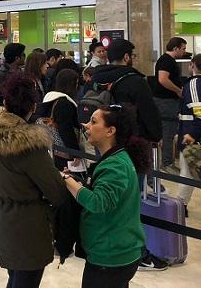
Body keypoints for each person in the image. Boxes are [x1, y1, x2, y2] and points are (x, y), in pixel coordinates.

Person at [0, 74, 67, 288]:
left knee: (15, 276)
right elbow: (56, 192)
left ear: (4, 103)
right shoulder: (29, 146)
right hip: (27, 226)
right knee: (26, 279)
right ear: (32, 106)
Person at [91, 39, 166, 271]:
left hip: (102, 142)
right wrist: (156, 135)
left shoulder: (96, 78)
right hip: (131, 146)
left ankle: (105, 241)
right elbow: (147, 113)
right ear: (126, 57)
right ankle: (138, 252)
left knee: (107, 191)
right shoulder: (134, 80)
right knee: (131, 200)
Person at [61, 105, 150, 287]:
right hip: (114, 252)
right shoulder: (116, 158)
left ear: (110, 131)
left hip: (111, 257)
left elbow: (98, 202)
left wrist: (65, 179)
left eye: (93, 122)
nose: (86, 125)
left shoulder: (115, 165)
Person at [177, 52, 201, 208]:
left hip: (195, 140)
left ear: (193, 65)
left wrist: (192, 134)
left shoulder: (195, 84)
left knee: (186, 176)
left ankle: (179, 209)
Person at [153, 37, 186, 169]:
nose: (184, 52)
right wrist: (178, 91)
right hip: (166, 102)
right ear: (175, 48)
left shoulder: (167, 60)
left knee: (169, 132)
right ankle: (167, 163)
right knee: (168, 132)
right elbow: (162, 79)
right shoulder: (167, 61)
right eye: (183, 48)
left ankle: (167, 161)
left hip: (166, 101)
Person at [41, 69, 81, 170]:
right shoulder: (65, 103)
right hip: (64, 152)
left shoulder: (50, 99)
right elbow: (66, 130)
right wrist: (75, 152)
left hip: (51, 148)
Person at [24, 52, 48, 118]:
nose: (47, 66)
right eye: (45, 63)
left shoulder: (42, 80)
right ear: (37, 65)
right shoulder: (28, 83)